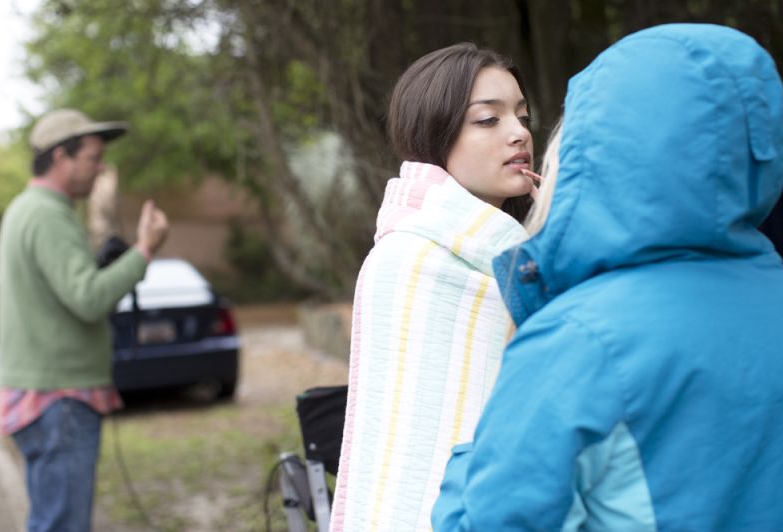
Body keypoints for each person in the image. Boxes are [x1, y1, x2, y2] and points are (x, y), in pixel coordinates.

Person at [432, 23, 783, 531]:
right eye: (488, 118)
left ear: (599, 148)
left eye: (533, 120)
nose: (524, 135)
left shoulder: (578, 341)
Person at [330, 43, 539, 531]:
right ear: (435, 133)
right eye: (488, 119)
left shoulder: (518, 253)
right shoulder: (406, 260)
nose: (519, 132)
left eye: (522, 115)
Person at [0, 108, 169, 532]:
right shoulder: (47, 215)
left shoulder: (27, 210)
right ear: (60, 157)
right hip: (61, 403)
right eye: (93, 157)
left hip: (45, 399)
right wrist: (144, 249)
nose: (100, 169)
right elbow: (89, 298)